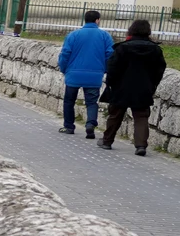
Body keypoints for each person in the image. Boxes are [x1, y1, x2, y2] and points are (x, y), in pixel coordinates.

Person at [98, 19, 168, 156]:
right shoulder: (155, 49)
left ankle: (107, 141)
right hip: (143, 87)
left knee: (115, 115)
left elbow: (112, 68)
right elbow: (159, 69)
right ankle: (141, 145)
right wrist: (152, 84)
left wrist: (111, 83)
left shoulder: (122, 48)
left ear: (131, 30)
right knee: (141, 116)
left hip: (121, 87)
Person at [57, 9, 112, 137]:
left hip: (73, 74)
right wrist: (104, 69)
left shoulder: (73, 35)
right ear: (97, 20)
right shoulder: (105, 36)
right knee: (92, 102)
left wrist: (64, 69)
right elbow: (110, 54)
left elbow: (65, 54)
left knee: (69, 101)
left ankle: (69, 126)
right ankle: (90, 124)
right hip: (94, 75)